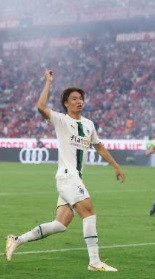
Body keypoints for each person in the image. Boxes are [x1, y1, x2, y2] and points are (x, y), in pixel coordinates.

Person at [5, 70, 126, 272]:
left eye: (81, 98)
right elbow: (40, 107)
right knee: (88, 212)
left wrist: (116, 166)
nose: (79, 102)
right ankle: (94, 261)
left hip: (75, 178)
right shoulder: (61, 120)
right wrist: (48, 82)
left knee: (61, 224)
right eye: (75, 99)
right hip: (67, 177)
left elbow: (100, 147)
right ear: (66, 104)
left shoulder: (88, 125)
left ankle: (17, 240)